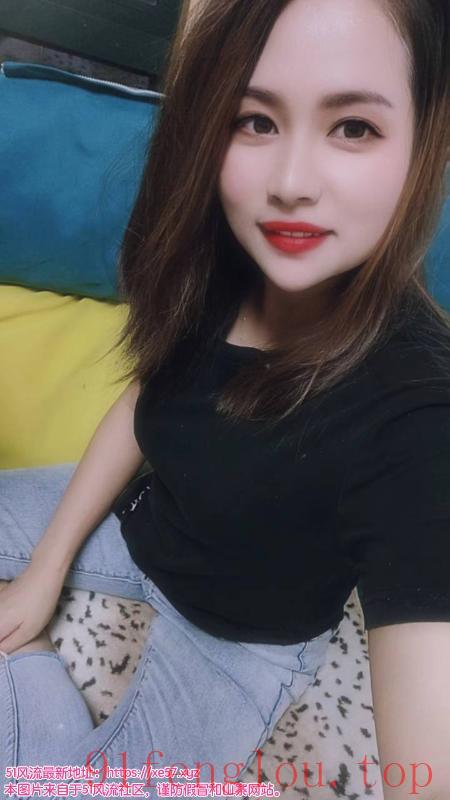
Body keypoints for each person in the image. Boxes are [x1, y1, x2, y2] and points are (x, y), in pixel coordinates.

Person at [1, 0, 449, 797]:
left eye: (354, 127)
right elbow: (147, 395)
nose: (291, 185)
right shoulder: (219, 257)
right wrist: (45, 569)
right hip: (142, 529)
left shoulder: (416, 413)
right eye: (254, 120)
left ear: (426, 140)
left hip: (240, 646)